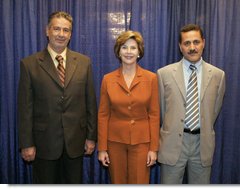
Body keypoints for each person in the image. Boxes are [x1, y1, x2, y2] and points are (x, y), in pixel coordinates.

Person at [18, 11, 97, 184]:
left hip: (75, 143)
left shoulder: (84, 63)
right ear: (47, 31)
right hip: (43, 145)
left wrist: (91, 137)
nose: (61, 34)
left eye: (66, 30)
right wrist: (26, 143)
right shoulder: (29, 64)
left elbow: (90, 102)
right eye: (57, 29)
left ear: (71, 34)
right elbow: (25, 108)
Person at [157, 24, 225, 184]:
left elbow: (214, 110)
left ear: (204, 43)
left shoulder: (218, 75)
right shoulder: (163, 74)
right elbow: (162, 109)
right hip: (172, 144)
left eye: (196, 42)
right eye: (187, 43)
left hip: (202, 145)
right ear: (180, 46)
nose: (192, 47)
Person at [97, 30, 160, 184]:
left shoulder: (151, 78)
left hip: (142, 142)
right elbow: (103, 115)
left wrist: (153, 148)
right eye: (124, 47)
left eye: (133, 48)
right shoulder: (108, 79)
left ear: (139, 52)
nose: (129, 52)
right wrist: (102, 148)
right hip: (115, 142)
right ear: (118, 52)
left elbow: (154, 114)